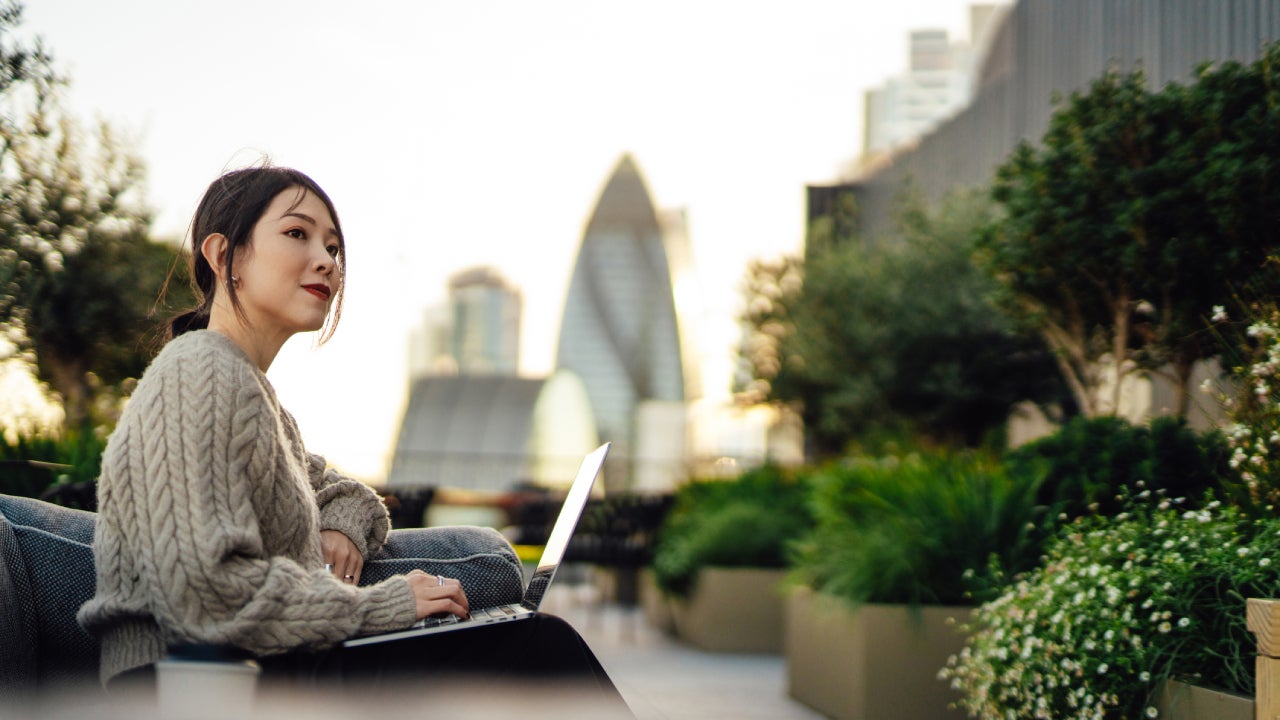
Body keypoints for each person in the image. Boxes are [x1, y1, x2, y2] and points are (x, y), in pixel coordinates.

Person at [76, 163, 630, 714]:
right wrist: (382, 605)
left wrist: (338, 524)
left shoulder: (253, 397)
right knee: (534, 647)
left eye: (334, 247)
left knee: (520, 645)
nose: (327, 261)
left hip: (252, 667)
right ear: (222, 256)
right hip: (193, 683)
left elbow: (352, 495)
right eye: (297, 234)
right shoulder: (198, 374)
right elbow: (206, 595)